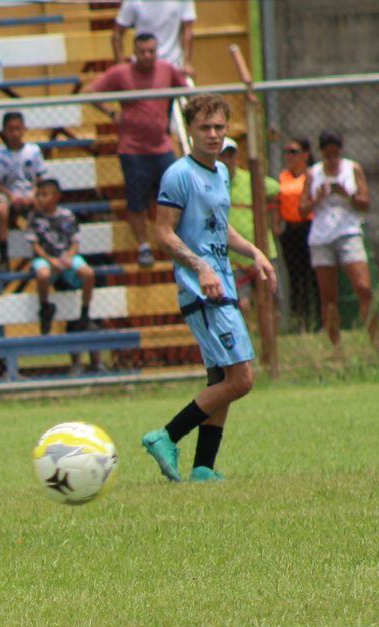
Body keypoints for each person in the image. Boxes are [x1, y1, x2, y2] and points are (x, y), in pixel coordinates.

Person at [141, 92, 276, 483]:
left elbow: (220, 227)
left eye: (220, 127)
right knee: (242, 379)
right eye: (205, 127)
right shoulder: (179, 175)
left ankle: (203, 468)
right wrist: (201, 267)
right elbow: (163, 233)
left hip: (222, 285)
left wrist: (254, 252)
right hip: (202, 290)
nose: (214, 134)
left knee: (222, 380)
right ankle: (165, 436)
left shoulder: (219, 172)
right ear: (190, 130)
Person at [85, 32, 186, 268]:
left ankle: (176, 240)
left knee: (176, 195)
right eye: (143, 51)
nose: (148, 56)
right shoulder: (122, 72)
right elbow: (90, 92)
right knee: (137, 201)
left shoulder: (166, 69)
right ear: (135, 52)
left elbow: (185, 90)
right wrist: (111, 112)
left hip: (162, 146)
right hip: (133, 150)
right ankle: (143, 246)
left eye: (152, 51)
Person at [300, 129, 379, 357]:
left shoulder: (352, 169)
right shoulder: (313, 173)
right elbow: (301, 208)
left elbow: (365, 203)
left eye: (335, 152)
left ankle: (376, 343)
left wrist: (347, 195)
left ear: (340, 150)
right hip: (322, 237)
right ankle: (336, 349)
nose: (332, 157)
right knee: (328, 296)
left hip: (348, 232)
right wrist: (318, 198)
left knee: (363, 288)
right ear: (322, 152)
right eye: (328, 152)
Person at [28, 177, 98, 355]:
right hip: (46, 259)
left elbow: (75, 242)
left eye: (45, 194)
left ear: (57, 196)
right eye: (39, 195)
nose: (41, 199)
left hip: (67, 257)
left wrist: (68, 257)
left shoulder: (67, 215)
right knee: (42, 274)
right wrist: (52, 260)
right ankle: (45, 307)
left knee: (88, 273)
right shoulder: (34, 218)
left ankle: (85, 312)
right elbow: (35, 245)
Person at [220, 136, 278, 321]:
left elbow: (276, 189)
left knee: (270, 301)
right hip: (233, 258)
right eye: (223, 156)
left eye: (231, 155)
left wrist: (274, 217)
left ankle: (271, 343)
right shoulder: (211, 184)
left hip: (263, 251)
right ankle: (249, 342)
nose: (227, 160)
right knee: (242, 306)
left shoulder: (250, 179)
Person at [0, 110, 45, 263]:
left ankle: (43, 246)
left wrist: (33, 193)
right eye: (11, 129)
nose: (15, 133)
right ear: (4, 131)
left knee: (41, 205)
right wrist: (10, 195)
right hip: (7, 194)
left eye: (18, 129)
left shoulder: (33, 151)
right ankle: (3, 252)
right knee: (1, 210)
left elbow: (40, 179)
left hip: (29, 192)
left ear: (24, 129)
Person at [276, 136, 316, 332]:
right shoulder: (283, 176)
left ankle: (316, 320)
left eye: (294, 152)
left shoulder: (311, 175)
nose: (289, 156)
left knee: (312, 275)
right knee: (294, 276)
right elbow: (276, 201)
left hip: (309, 228)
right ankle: (297, 321)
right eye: (287, 152)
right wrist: (277, 224)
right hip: (290, 230)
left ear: (305, 155)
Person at [111, 0, 193, 80]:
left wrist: (187, 63)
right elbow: (117, 34)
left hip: (175, 66)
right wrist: (121, 67)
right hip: (141, 68)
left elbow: (187, 30)